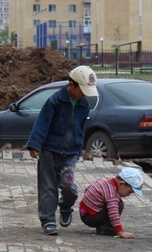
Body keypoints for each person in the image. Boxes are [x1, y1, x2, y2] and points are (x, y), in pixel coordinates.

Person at [26, 65, 98, 235]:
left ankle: (65, 207)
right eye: (82, 90)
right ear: (71, 85)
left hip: (70, 153)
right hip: (49, 150)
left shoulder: (84, 104)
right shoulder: (54, 101)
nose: (84, 95)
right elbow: (42, 124)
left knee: (69, 186)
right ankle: (48, 220)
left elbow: (80, 128)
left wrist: (79, 147)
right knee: (48, 187)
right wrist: (35, 144)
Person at [79, 167, 143, 239]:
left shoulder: (105, 181)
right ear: (122, 183)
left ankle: (104, 226)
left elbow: (87, 189)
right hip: (90, 218)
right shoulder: (112, 193)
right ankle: (105, 228)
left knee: (116, 202)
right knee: (119, 204)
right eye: (129, 192)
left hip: (84, 212)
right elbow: (113, 213)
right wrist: (120, 232)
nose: (128, 195)